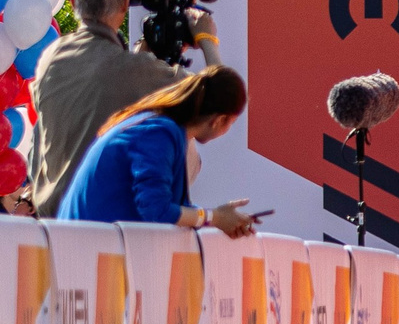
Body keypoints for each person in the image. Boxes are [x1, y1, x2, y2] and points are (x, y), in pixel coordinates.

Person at [31, 0, 222, 219]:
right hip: (107, 238)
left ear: (74, 2)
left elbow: (103, 79)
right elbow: (217, 105)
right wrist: (206, 38)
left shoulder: (50, 59)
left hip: (51, 232)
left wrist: (143, 53)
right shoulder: (135, 71)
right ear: (124, 2)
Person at [59, 65, 256, 233]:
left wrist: (217, 218)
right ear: (219, 120)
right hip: (84, 251)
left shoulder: (158, 126)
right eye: (231, 123)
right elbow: (156, 210)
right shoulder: (159, 133)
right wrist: (214, 217)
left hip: (86, 245)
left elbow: (165, 209)